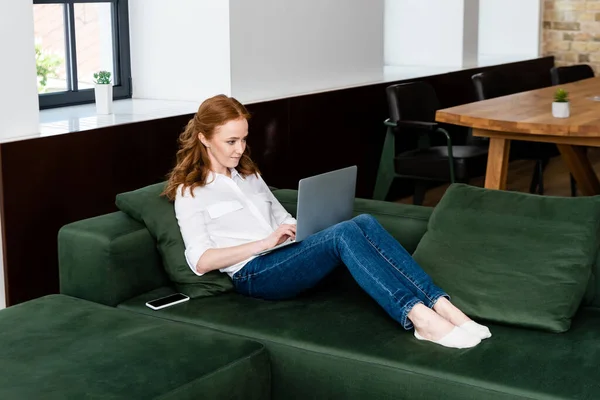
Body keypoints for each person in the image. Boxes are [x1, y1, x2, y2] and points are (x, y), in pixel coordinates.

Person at [163, 94, 491, 349]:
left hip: (285, 254)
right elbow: (200, 261)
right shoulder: (190, 192)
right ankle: (418, 317)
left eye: (244, 139)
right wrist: (264, 243)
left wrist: (303, 227)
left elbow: (282, 219)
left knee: (363, 221)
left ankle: (442, 306)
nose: (240, 149)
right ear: (205, 138)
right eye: (231, 142)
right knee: (344, 232)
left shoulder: (248, 174)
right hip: (255, 273)